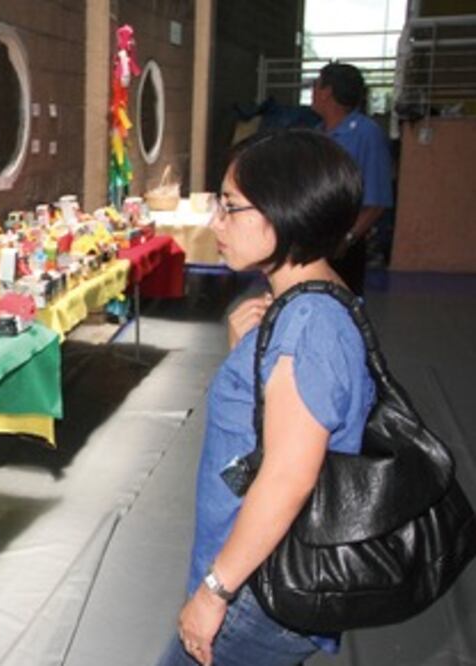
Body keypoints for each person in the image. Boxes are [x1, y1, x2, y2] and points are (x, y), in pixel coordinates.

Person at [156, 129, 376, 666]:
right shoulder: (307, 301)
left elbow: (287, 476)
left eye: (231, 208)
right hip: (256, 574)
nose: (216, 223)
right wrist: (247, 355)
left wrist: (214, 592)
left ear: (285, 211)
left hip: (257, 588)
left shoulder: (309, 323)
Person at [310, 62, 394, 294]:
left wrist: (346, 239)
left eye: (316, 86)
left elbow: (377, 202)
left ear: (327, 92)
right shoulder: (318, 134)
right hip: (312, 240)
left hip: (343, 245)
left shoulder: (366, 134)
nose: (313, 92)